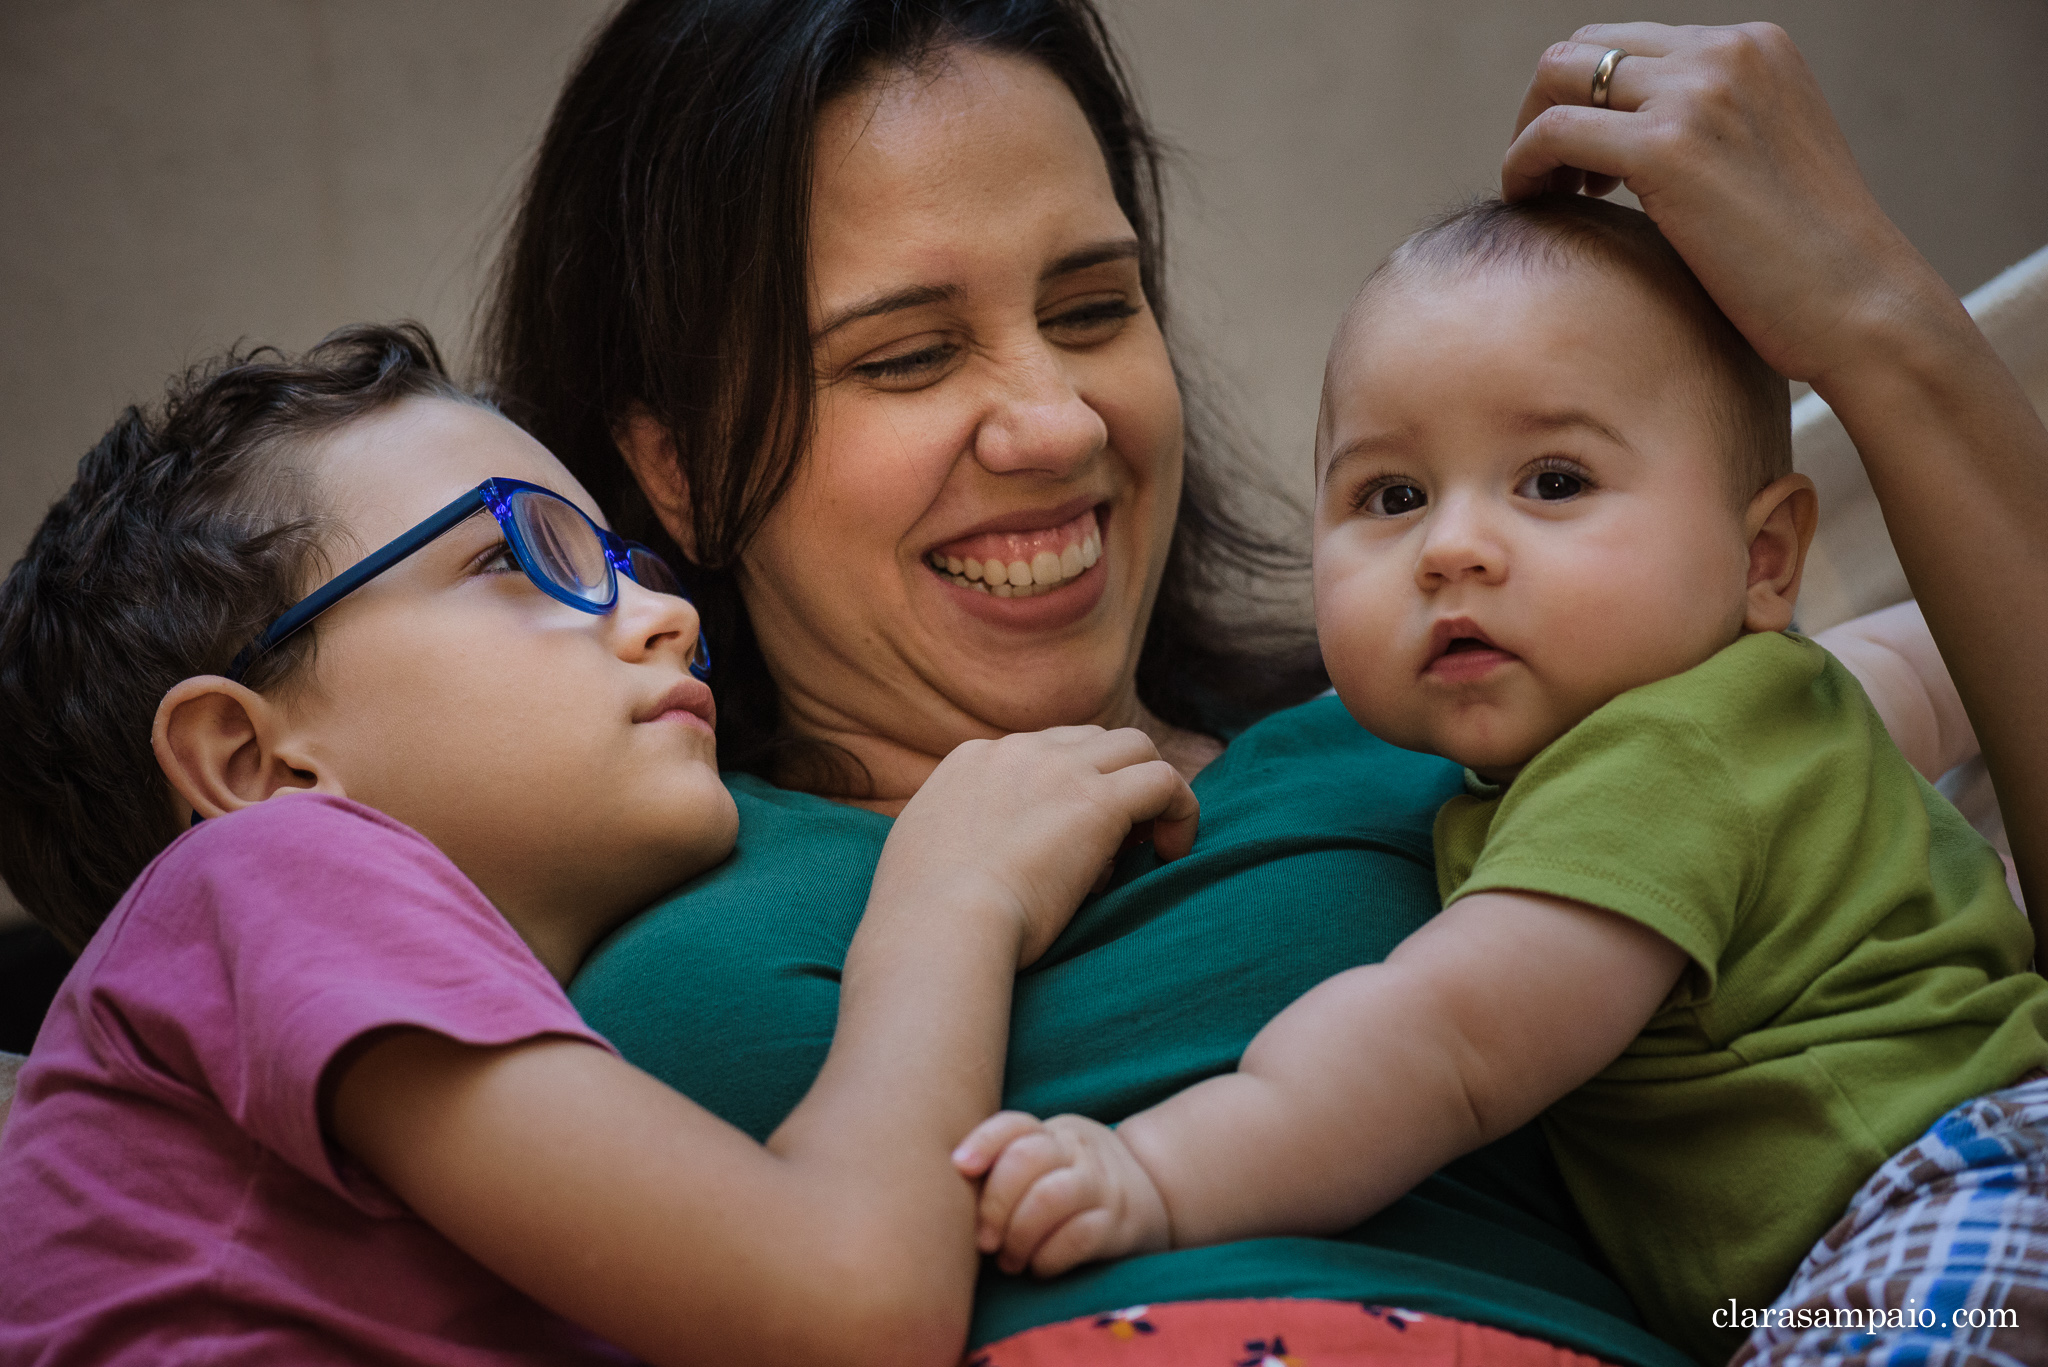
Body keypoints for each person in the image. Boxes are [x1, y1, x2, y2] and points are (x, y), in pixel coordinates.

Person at [484, 3, 2048, 1362]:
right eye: (905, 356)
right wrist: (943, 905)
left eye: (1095, 310)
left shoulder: (1501, 723)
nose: (1057, 425)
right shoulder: (582, 917)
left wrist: (1881, 327)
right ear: (673, 467)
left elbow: (1888, 727)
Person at [950, 195, 2048, 1367]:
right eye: (1391, 496)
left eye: (1554, 482)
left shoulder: (1650, 771)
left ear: (1762, 557)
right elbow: (1949, 671)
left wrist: (1149, 1169)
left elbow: (1445, 1047)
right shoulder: (1783, 698)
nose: (1450, 547)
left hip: (1938, 1191)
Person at [0, 325, 1198, 1367]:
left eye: (624, 563)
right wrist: (951, 898)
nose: (665, 613)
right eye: (514, 557)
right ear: (252, 764)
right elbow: (853, 1311)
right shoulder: (264, 870)